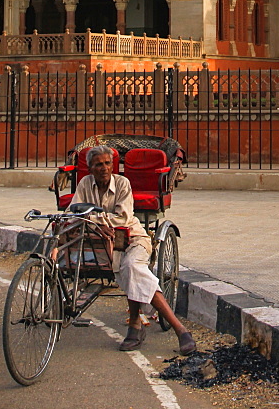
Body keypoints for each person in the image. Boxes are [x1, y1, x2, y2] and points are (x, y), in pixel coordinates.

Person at [68, 143, 196, 354]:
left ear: (114, 165)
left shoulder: (122, 184)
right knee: (127, 269)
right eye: (98, 164)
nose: (104, 168)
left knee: (132, 267)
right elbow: (74, 214)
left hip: (133, 239)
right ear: (90, 167)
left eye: (108, 163)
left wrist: (92, 219)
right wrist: (96, 223)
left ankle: (178, 329)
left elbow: (123, 219)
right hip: (103, 243)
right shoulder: (84, 184)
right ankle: (136, 325)